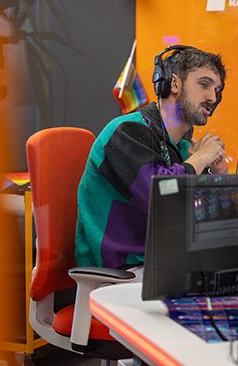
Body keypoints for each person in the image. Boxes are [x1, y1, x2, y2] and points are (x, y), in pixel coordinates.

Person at [75, 46, 227, 268]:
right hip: (119, 271)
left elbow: (201, 216)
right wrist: (201, 159)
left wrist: (216, 176)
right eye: (204, 84)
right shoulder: (126, 132)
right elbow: (161, 198)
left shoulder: (182, 148)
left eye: (218, 90)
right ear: (174, 83)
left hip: (161, 263)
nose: (212, 97)